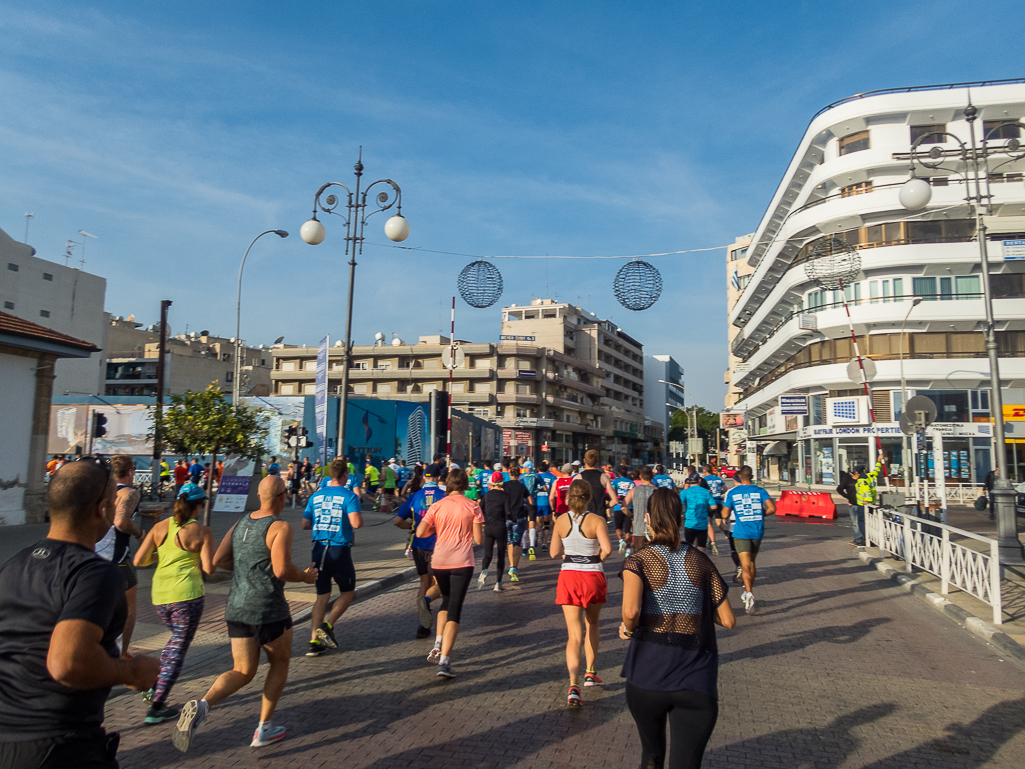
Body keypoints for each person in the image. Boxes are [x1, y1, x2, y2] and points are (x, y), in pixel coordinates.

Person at [0, 460, 160, 768]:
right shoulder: (95, 574)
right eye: (113, 503)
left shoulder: (13, 565)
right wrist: (131, 672)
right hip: (59, 745)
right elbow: (68, 662)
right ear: (102, 508)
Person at [173, 476, 318, 753]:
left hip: (236, 607)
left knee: (242, 670)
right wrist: (305, 577)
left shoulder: (241, 522)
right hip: (268, 609)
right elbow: (280, 570)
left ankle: (203, 705)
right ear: (280, 497)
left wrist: (246, 568)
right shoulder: (280, 527)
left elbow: (217, 560)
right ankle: (263, 728)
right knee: (280, 662)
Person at [620, 488, 735, 769]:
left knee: (651, 757)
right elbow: (728, 619)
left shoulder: (638, 561)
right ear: (681, 518)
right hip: (695, 678)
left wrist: (628, 627)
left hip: (648, 674)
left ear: (646, 519)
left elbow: (631, 610)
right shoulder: (701, 561)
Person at [133, 482, 216, 724]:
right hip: (187, 596)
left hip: (161, 597)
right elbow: (209, 568)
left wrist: (162, 554)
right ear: (198, 506)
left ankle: (155, 686)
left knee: (175, 641)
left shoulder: (160, 527)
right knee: (178, 648)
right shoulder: (202, 531)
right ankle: (157, 705)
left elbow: (139, 559)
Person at [415, 468, 484, 678]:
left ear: (448, 483)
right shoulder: (473, 505)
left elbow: (420, 532)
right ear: (465, 485)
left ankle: (437, 642)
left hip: (439, 560)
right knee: (455, 610)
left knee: (445, 600)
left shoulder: (437, 505)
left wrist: (437, 529)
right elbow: (479, 540)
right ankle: (444, 662)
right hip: (462, 562)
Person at [551, 479, 612, 707]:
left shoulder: (560, 521)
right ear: (588, 498)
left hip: (568, 577)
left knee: (573, 635)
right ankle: (590, 673)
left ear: (568, 498)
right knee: (593, 625)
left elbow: (554, 552)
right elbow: (607, 549)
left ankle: (573, 686)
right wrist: (597, 558)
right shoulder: (597, 520)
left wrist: (569, 552)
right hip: (592, 575)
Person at [302, 459, 364, 657]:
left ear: (330, 475)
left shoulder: (316, 496)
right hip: (338, 550)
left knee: (322, 595)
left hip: (318, 550)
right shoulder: (349, 496)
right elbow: (356, 523)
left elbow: (304, 523)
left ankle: (314, 641)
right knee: (347, 591)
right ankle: (327, 625)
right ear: (345, 475)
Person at [94, 455, 144, 658]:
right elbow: (122, 522)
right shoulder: (129, 493)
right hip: (116, 559)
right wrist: (140, 534)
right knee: (128, 608)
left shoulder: (99, 490)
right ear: (131, 471)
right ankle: (121, 655)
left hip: (90, 554)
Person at [394, 464, 445, 636]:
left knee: (424, 582)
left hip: (418, 545)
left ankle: (422, 624)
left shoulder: (415, 496)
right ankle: (427, 602)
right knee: (439, 584)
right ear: (439, 478)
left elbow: (397, 522)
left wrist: (414, 527)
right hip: (437, 545)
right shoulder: (443, 497)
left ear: (424, 477)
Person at [721, 466, 776, 615]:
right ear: (751, 476)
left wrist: (725, 516)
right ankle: (748, 590)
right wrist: (762, 513)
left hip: (741, 531)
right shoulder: (760, 491)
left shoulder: (733, 493)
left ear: (739, 477)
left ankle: (749, 594)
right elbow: (772, 508)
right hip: (757, 531)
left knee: (745, 565)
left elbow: (725, 512)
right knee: (752, 563)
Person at [478, 471, 509, 591]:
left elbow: (480, 509)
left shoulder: (487, 495)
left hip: (489, 527)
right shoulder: (505, 496)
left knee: (487, 555)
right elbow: (508, 512)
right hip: (500, 527)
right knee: (501, 555)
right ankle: (498, 583)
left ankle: (483, 572)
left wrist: (484, 520)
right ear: (502, 481)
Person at [504, 466, 531, 580]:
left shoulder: (505, 486)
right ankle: (515, 566)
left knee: (509, 541)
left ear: (510, 474)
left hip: (507, 517)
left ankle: (511, 564)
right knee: (517, 542)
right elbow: (531, 501)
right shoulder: (522, 486)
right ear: (519, 475)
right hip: (520, 516)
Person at [680, 473, 717, 554]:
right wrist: (706, 508)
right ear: (699, 480)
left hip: (689, 523)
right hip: (702, 524)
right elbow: (714, 506)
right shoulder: (706, 492)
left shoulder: (684, 492)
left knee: (689, 547)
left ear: (689, 481)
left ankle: (690, 565)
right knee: (701, 548)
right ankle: (700, 564)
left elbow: (679, 504)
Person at [624, 466, 657, 555]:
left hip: (638, 530)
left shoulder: (633, 491)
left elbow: (624, 507)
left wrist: (632, 516)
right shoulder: (658, 491)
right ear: (652, 476)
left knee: (639, 559)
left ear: (640, 477)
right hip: (654, 531)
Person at [579, 449, 618, 522]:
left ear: (584, 461)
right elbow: (615, 500)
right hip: (600, 515)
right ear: (597, 461)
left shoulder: (578, 477)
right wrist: (605, 507)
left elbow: (569, 499)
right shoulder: (603, 477)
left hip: (584, 515)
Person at [854, 459, 884, 546]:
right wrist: (878, 461)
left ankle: (866, 539)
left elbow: (866, 490)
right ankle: (871, 538)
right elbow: (876, 470)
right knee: (870, 521)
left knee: (862, 522)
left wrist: (867, 500)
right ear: (864, 470)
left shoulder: (862, 479)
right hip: (871, 504)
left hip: (863, 504)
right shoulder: (871, 475)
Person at [612, 469, 636, 554]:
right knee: (628, 530)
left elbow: (613, 492)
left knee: (618, 527)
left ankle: (621, 541)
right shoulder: (631, 482)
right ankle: (628, 550)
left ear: (618, 473)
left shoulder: (615, 482)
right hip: (629, 507)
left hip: (618, 507)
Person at [535, 461, 556, 549]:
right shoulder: (552, 476)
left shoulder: (535, 476)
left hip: (537, 502)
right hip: (547, 503)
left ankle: (535, 536)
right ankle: (544, 543)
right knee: (546, 524)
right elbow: (554, 490)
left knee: (538, 524)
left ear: (538, 469)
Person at [837, 468, 860, 545]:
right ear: (856, 473)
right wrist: (848, 497)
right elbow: (839, 489)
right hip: (853, 504)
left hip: (862, 505)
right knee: (856, 523)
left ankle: (863, 539)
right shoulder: (848, 481)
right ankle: (858, 539)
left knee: (862, 522)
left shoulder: (862, 481)